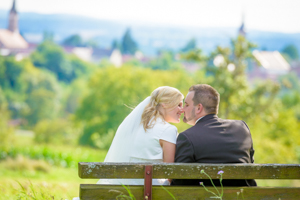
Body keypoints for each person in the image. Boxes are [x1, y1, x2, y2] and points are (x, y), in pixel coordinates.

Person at [171, 84, 256, 186]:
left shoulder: (187, 137)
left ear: (199, 108)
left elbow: (179, 183)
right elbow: (250, 165)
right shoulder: (242, 128)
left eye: (187, 105)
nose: (183, 109)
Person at [97, 86, 184, 185]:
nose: (182, 109)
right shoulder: (168, 130)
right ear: (165, 104)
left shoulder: (135, 126)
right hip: (151, 192)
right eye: (179, 105)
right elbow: (170, 171)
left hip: (124, 188)